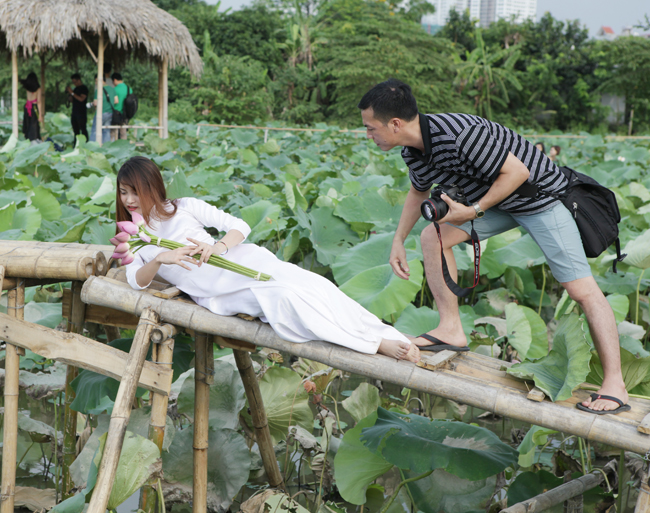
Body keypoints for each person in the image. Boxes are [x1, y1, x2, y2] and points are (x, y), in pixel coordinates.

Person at [358, 78, 629, 414]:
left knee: (581, 290)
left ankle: (615, 385)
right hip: (497, 202)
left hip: (538, 198)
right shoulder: (412, 151)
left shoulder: (458, 134)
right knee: (433, 236)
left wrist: (472, 211)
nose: (368, 135)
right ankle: (451, 329)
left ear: (395, 124)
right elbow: (418, 192)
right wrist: (397, 241)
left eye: (370, 128)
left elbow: (517, 173)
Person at [117, 157, 420, 363]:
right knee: (286, 297)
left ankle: (385, 332)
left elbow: (240, 226)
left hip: (241, 260)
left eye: (135, 192)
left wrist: (220, 247)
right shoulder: (133, 236)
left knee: (315, 284)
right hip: (218, 289)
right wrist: (161, 259)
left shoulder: (185, 206)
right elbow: (135, 281)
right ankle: (375, 345)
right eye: (123, 193)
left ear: (153, 188)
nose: (129, 200)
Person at [89, 76, 116, 144]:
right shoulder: (112, 89)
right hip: (110, 113)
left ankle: (92, 147)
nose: (95, 83)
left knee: (95, 131)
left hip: (100, 113)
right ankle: (105, 148)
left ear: (100, 80)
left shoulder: (98, 90)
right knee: (106, 131)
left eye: (96, 81)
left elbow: (95, 103)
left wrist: (93, 104)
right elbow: (116, 101)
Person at [66, 73, 89, 147]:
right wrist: (70, 94)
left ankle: (86, 143)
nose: (74, 84)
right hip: (74, 112)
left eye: (75, 82)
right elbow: (72, 100)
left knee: (83, 129)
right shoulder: (75, 89)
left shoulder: (84, 88)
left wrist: (72, 93)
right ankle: (76, 144)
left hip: (81, 112)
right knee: (76, 130)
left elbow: (81, 99)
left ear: (79, 80)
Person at [19, 72, 41, 141]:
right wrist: (40, 115)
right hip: (34, 107)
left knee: (27, 123)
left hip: (27, 106)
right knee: (34, 124)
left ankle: (27, 139)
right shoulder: (38, 89)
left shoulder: (27, 87)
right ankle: (34, 139)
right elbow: (39, 102)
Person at [111, 72, 129, 141]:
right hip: (125, 114)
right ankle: (124, 147)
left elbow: (114, 101)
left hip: (116, 114)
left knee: (113, 132)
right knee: (123, 133)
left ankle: (111, 147)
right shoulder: (128, 89)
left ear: (115, 80)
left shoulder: (114, 89)